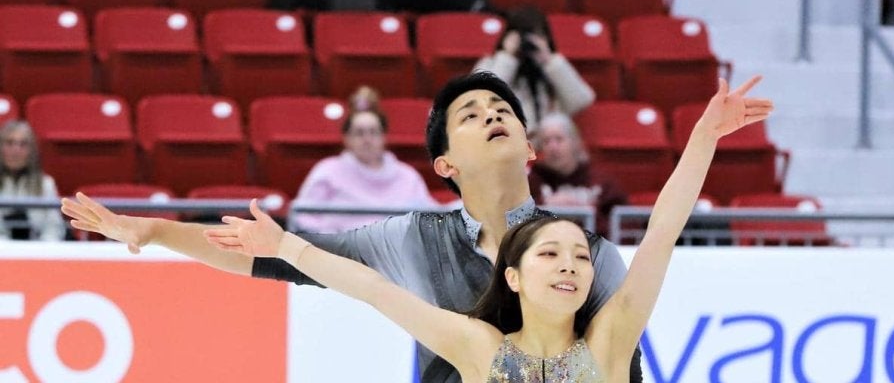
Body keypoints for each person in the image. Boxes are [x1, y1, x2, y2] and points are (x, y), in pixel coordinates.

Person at [61, 72, 769, 381]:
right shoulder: (416, 253)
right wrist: (153, 232)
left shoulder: (583, 256)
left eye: (503, 110)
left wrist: (703, 137)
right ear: (443, 164)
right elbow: (307, 269)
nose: (492, 114)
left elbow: (662, 239)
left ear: (529, 147)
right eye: (471, 114)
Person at [292, 86, 438, 233]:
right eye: (359, 133)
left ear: (384, 137)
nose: (367, 140)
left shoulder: (407, 175)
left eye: (373, 132)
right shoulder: (327, 170)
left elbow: (430, 218)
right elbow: (302, 216)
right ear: (347, 139)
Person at [473, 6, 595, 134]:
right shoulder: (492, 63)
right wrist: (508, 57)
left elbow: (581, 101)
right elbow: (482, 98)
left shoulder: (553, 68)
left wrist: (549, 60)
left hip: (548, 145)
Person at [529, 115, 627, 236]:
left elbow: (626, 226)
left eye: (559, 139)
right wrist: (544, 207)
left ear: (575, 142)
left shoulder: (601, 179)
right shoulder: (531, 182)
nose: (553, 147)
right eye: (546, 141)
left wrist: (585, 211)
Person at [1, 120, 65, 241]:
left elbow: (54, 228)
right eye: (9, 143)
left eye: (23, 144)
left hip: (38, 251)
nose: (16, 151)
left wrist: (41, 251)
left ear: (32, 151)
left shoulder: (46, 183)